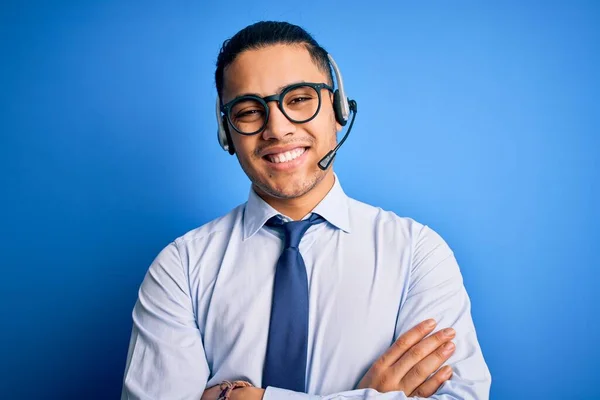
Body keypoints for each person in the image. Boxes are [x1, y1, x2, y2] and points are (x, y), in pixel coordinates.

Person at [121, 21, 491, 400]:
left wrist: (244, 398)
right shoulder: (181, 267)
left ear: (338, 107)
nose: (277, 129)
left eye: (298, 99)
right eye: (249, 111)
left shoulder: (417, 253)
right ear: (225, 131)